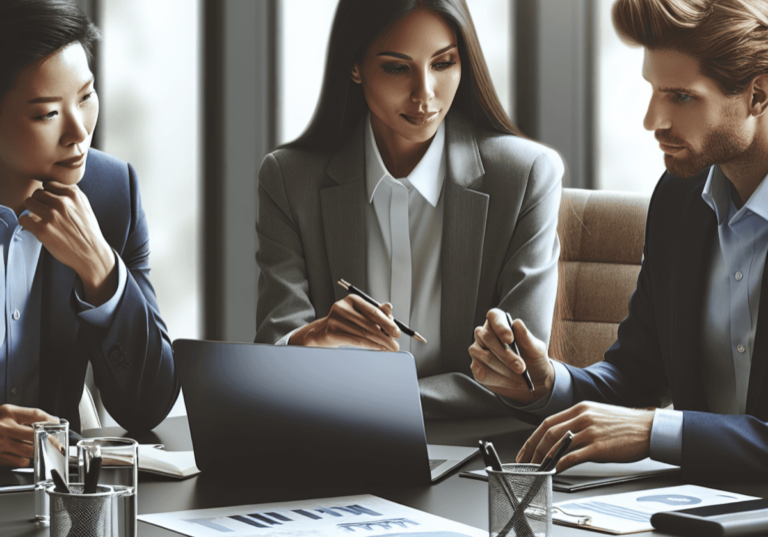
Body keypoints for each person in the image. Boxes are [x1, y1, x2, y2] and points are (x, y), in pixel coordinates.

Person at [471, 0, 768, 481]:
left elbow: (643, 423)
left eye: (682, 97)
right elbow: (635, 377)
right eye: (653, 91)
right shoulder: (679, 199)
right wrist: (546, 383)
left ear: (757, 95)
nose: (654, 120)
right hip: (695, 511)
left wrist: (654, 431)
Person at [255, 0, 563, 417]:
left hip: (473, 449)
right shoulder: (289, 179)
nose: (425, 94)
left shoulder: (526, 177)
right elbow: (272, 354)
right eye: (398, 68)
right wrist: (310, 340)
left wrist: (370, 397)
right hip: (333, 447)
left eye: (443, 63)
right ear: (355, 66)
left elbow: (516, 376)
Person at [0, 0, 178, 467]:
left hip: (56, 501)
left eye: (85, 96)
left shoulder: (110, 192)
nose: (79, 133)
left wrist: (100, 267)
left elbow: (149, 404)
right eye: (46, 114)